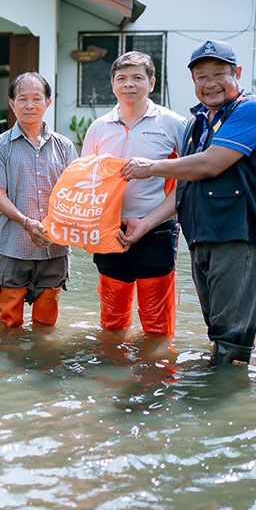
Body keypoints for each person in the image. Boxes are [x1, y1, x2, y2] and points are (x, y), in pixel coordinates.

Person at [124, 40, 256, 366]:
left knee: (232, 336)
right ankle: (219, 391)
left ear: (237, 73)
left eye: (219, 74)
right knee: (218, 329)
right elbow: (185, 184)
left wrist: (151, 167)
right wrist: (146, 223)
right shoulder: (197, 123)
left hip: (242, 236)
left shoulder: (253, 111)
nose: (209, 83)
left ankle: (226, 401)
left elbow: (209, 164)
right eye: (201, 77)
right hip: (204, 236)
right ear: (193, 82)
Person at [82, 52, 187, 337]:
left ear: (151, 83)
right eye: (122, 79)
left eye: (137, 78)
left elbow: (189, 181)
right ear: (112, 84)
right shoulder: (98, 128)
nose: (129, 85)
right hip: (111, 231)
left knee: (157, 321)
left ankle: (157, 375)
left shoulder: (173, 124)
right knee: (112, 319)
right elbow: (85, 183)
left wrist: (148, 222)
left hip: (157, 228)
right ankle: (112, 373)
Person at [0, 72, 77, 328]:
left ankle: (43, 366)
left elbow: (74, 194)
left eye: (37, 98)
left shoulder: (65, 146)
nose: (30, 105)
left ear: (48, 102)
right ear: (12, 103)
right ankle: (8, 365)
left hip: (54, 247)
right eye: (22, 99)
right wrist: (26, 223)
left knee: (46, 324)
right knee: (9, 322)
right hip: (12, 245)